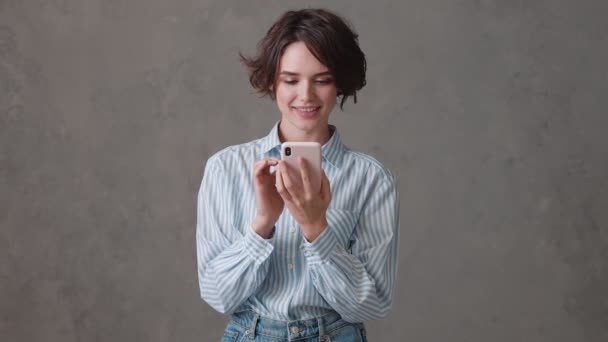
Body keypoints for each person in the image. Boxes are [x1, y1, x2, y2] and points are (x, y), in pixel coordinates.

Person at [196, 8, 400, 342]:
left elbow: (372, 305)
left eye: (322, 80)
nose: (305, 96)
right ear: (272, 82)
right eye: (291, 80)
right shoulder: (226, 168)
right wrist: (263, 223)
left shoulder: (371, 179)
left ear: (340, 85)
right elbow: (219, 296)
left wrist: (316, 228)